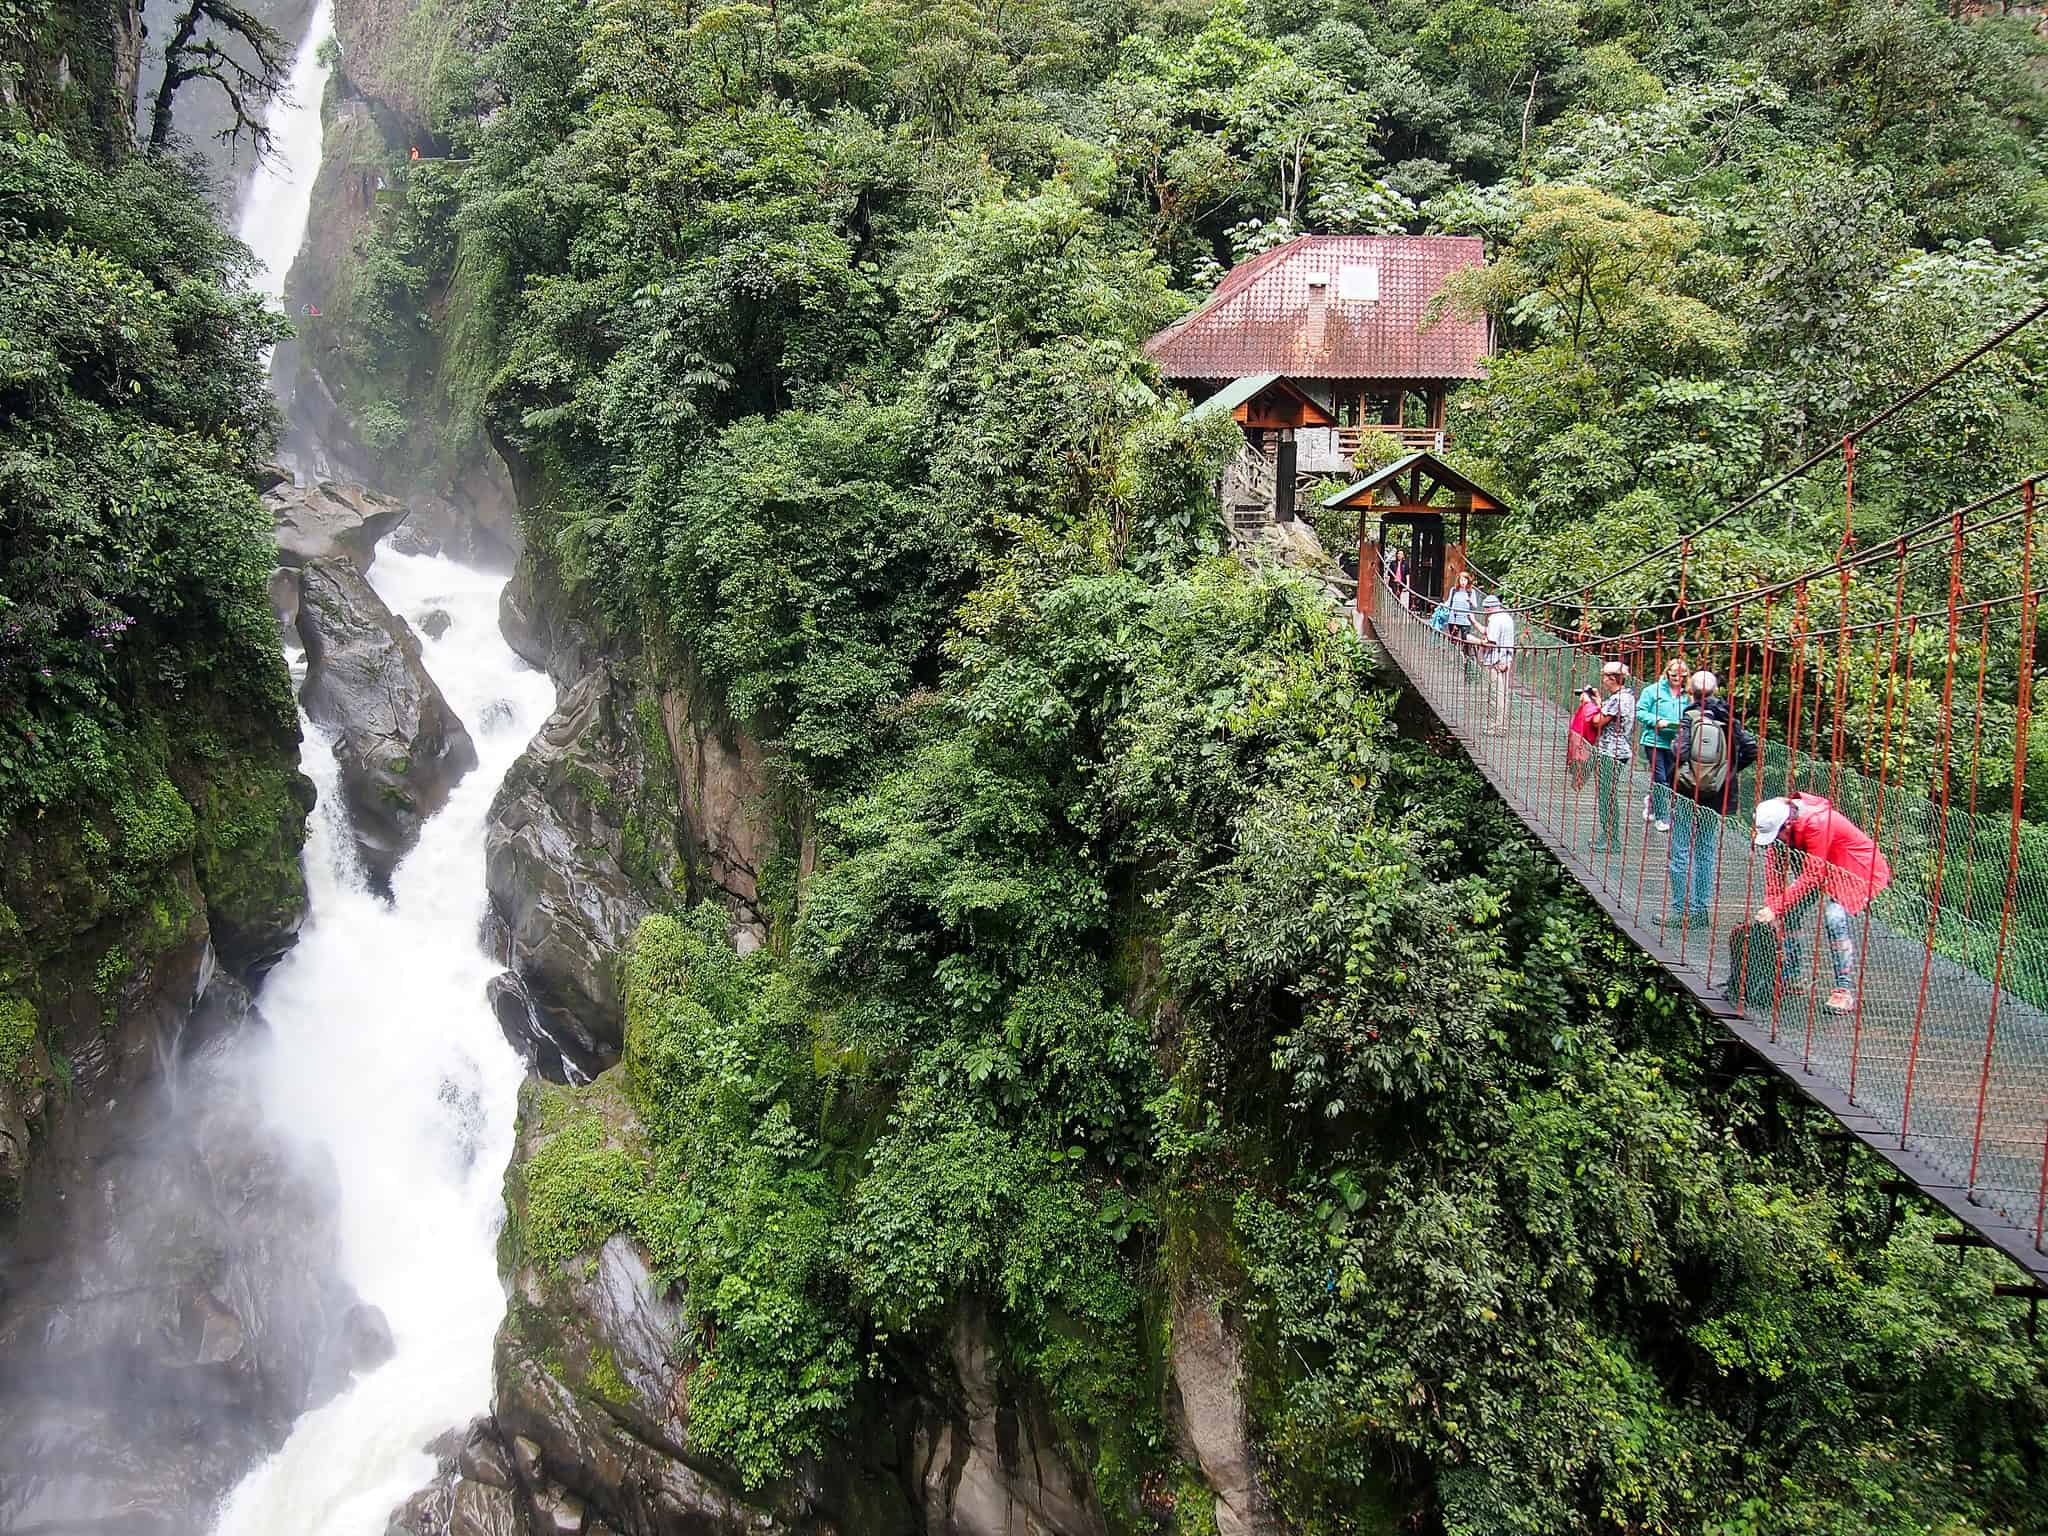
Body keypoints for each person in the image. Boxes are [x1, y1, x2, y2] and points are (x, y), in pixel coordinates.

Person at [1752, 791, 1893, 1012]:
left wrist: (1777, 906)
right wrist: (1773, 906)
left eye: (1777, 835)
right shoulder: (1777, 827)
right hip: (1825, 866)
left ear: (1788, 825)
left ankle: (1843, 991)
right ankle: (1792, 977)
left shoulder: (1818, 822)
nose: (1776, 840)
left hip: (1857, 870)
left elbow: (1812, 875)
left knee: (1834, 917)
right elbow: (1774, 871)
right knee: (1789, 912)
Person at [1659, 670, 1756, 931]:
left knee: (1680, 850)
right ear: (1714, 692)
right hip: (1717, 796)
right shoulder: (1729, 718)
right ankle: (1700, 911)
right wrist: (1726, 773)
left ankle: (1681, 911)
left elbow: (1680, 751)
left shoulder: (1689, 716)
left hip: (1687, 792)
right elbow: (1751, 749)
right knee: (1705, 852)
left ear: (1691, 691)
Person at [1635, 657, 1688, 834]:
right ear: (1667, 673)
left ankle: (1651, 801)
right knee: (1660, 778)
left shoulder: (1688, 695)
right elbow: (1640, 711)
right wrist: (1656, 720)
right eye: (1674, 674)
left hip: (1676, 743)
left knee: (1671, 779)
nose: (1677, 678)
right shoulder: (1652, 691)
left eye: (1681, 675)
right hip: (1655, 740)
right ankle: (1661, 817)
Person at [1587, 660, 1634, 854]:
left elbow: (1598, 722)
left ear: (1613, 678)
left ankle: (1610, 839)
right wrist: (1598, 701)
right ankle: (1608, 837)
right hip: (1619, 751)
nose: (1603, 680)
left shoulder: (1618, 699)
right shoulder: (1627, 696)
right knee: (1609, 794)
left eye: (1605, 676)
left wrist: (1589, 707)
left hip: (1611, 753)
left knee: (1607, 796)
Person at [1482, 594, 1516, 725]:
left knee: (1497, 694)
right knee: (1503, 693)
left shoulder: (1494, 619)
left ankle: (1498, 725)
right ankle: (1501, 723)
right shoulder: (1507, 617)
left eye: (1485, 608)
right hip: (1507, 659)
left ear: (1490, 608)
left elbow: (1492, 641)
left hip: (1495, 660)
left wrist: (1480, 642)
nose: (1484, 611)